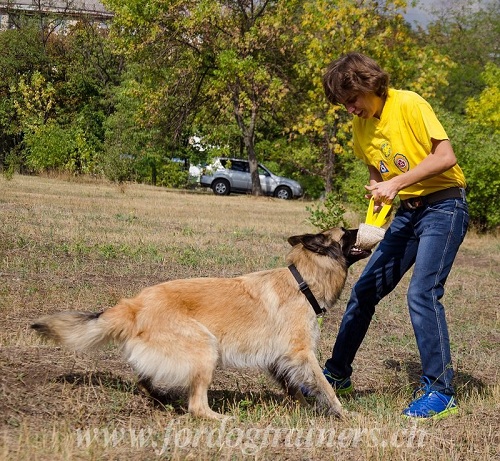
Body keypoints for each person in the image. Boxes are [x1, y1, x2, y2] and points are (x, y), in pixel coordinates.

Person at [320, 52, 469, 419]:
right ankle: (336, 375)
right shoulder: (362, 128)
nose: (350, 109)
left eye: (351, 99)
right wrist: (372, 229)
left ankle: (440, 390)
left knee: (423, 292)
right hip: (410, 212)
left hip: (445, 207)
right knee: (365, 290)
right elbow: (377, 182)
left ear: (367, 84)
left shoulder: (409, 103)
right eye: (344, 104)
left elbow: (445, 156)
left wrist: (397, 183)